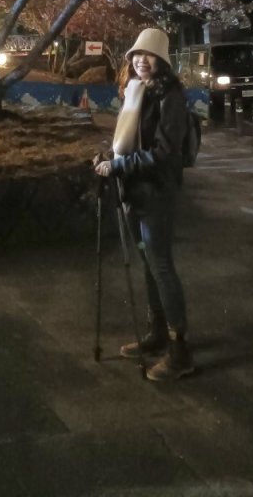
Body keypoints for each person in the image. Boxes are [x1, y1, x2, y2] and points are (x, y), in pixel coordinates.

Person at [94, 27, 194, 382]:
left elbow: (165, 153)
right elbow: (128, 141)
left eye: (149, 55)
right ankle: (157, 332)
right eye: (137, 54)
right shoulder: (136, 90)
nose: (141, 60)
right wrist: (109, 157)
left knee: (161, 265)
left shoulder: (171, 97)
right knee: (149, 263)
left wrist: (119, 165)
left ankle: (180, 350)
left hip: (157, 191)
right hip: (134, 189)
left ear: (162, 61)